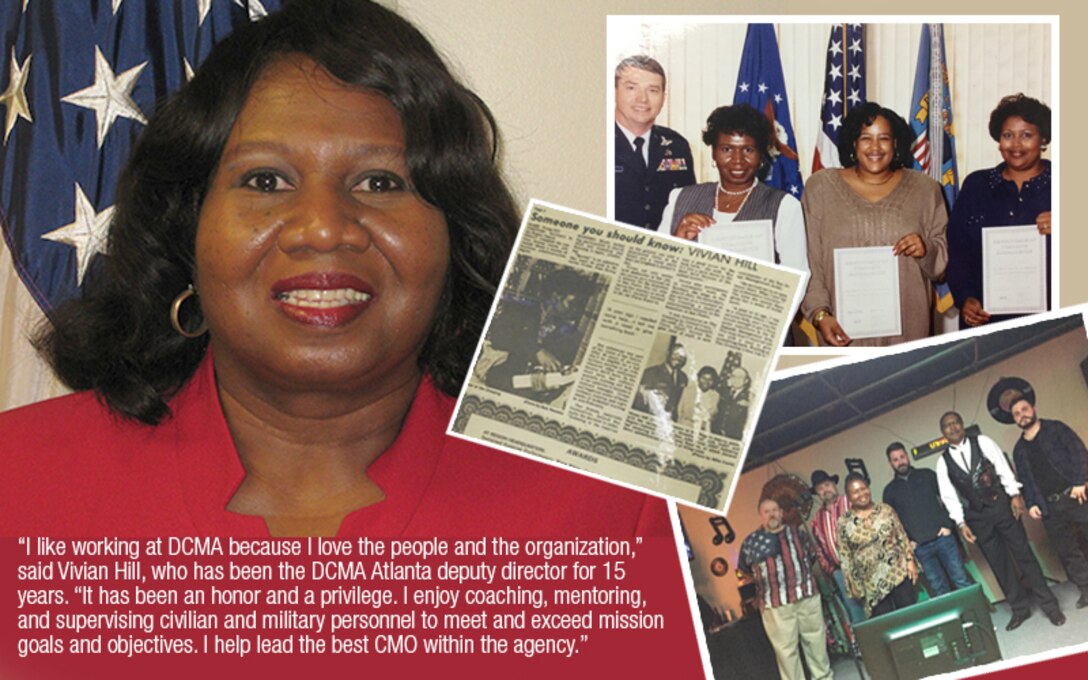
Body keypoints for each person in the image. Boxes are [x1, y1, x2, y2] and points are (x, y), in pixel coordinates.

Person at [0, 1, 675, 542]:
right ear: (188, 229)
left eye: (382, 182)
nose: (323, 227)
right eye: (265, 180)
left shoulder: (618, 503)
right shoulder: (17, 486)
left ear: (453, 235)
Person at [800, 102, 948, 347]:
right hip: (841, 329)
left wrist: (926, 249)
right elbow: (810, 260)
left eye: (884, 138)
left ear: (896, 143)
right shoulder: (821, 187)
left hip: (908, 330)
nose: (875, 147)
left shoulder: (926, 189)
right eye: (865, 138)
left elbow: (941, 263)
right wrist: (819, 314)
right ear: (853, 143)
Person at [935, 411, 1065, 628]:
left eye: (956, 422)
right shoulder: (943, 462)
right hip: (977, 519)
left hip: (1002, 508)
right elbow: (948, 496)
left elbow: (1003, 468)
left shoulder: (982, 441)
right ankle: (1020, 609)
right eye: (947, 425)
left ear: (962, 424)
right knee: (999, 564)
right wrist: (961, 523)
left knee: (1024, 555)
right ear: (943, 432)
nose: (953, 427)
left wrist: (1014, 495)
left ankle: (1050, 606)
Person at [657, 104, 808, 273]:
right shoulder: (679, 198)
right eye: (727, 149)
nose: (738, 160)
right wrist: (676, 241)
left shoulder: (785, 206)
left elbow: (797, 279)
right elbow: (658, 274)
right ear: (714, 153)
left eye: (748, 150)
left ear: (761, 155)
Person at [946, 94, 1052, 328]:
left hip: (1051, 322)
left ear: (1042, 138)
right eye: (1008, 135)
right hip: (985, 319)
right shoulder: (976, 185)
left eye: (1026, 135)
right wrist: (965, 298)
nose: (1016, 145)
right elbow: (957, 251)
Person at [738, 498, 833, 680]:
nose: (772, 514)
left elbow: (811, 557)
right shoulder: (751, 542)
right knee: (786, 652)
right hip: (775, 604)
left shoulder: (798, 534)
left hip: (806, 596)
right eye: (767, 511)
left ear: (781, 513)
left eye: (775, 510)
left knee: (816, 643)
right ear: (760, 515)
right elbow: (744, 571)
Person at [1010, 397, 1088, 609]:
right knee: (1068, 551)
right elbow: (1024, 481)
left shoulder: (1056, 428)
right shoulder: (1019, 449)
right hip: (1049, 506)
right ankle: (1086, 588)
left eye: (1024, 409)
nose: (1022, 415)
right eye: (1016, 413)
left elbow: (1080, 452)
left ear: (1033, 409)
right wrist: (1032, 503)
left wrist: (1081, 482)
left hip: (1076, 495)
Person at [482, 266, 594, 403]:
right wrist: (537, 351)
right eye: (572, 303)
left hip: (526, 383)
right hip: (498, 378)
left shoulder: (560, 326)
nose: (575, 310)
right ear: (556, 297)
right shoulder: (522, 309)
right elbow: (499, 335)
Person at [613, 55, 695, 230]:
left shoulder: (677, 146)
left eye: (652, 90)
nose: (642, 99)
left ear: (663, 99)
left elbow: (688, 208)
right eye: (631, 88)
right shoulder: (596, 143)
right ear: (614, 92)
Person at [882, 442, 973, 597]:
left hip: (943, 538)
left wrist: (947, 524)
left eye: (902, 457)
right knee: (938, 589)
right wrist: (908, 542)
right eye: (895, 459)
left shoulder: (927, 475)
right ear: (890, 463)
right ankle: (953, 622)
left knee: (961, 580)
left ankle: (978, 618)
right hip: (920, 548)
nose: (900, 462)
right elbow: (892, 523)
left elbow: (948, 498)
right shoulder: (889, 491)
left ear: (907, 457)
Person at [837, 473, 918, 617]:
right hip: (871, 582)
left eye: (864, 488)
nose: (862, 494)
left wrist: (910, 562)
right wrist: (851, 583)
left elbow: (902, 536)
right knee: (886, 622)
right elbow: (845, 555)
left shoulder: (886, 510)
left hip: (897, 572)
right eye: (856, 492)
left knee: (910, 615)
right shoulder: (844, 522)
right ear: (848, 497)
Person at [809, 470, 867, 623]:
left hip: (864, 563)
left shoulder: (850, 502)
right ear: (816, 493)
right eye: (820, 488)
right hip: (840, 571)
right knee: (856, 612)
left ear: (834, 484)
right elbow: (818, 547)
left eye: (827, 485)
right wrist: (831, 569)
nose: (824, 490)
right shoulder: (816, 519)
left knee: (878, 603)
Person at [632, 343, 688, 421]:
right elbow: (641, 401)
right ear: (668, 354)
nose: (678, 358)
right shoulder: (651, 372)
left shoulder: (683, 378)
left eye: (682, 357)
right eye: (675, 354)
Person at [676, 366, 720, 433]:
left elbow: (712, 415)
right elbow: (680, 410)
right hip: (685, 427)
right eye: (703, 378)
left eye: (710, 380)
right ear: (698, 378)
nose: (706, 382)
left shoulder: (715, 396)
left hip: (702, 431)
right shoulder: (688, 390)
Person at [713, 365, 751, 439]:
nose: (736, 379)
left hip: (733, 437)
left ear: (746, 380)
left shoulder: (750, 397)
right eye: (734, 376)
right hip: (715, 433)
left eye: (740, 377)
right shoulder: (722, 391)